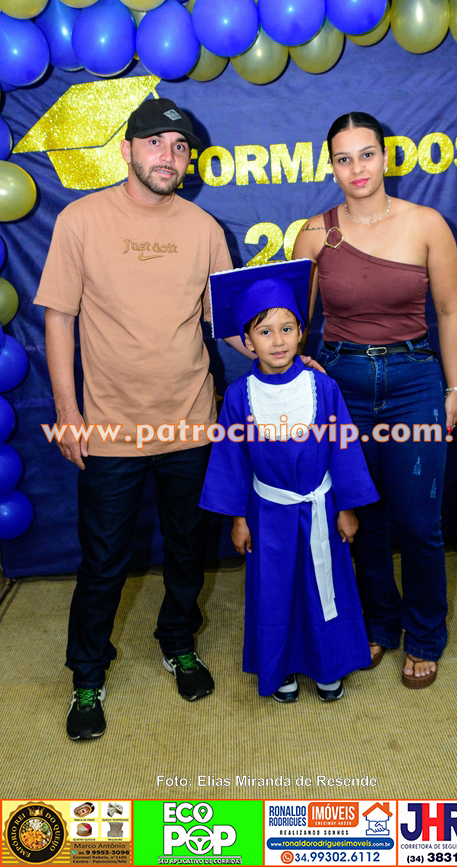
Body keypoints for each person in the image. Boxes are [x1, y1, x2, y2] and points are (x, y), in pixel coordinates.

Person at [34, 98, 234, 739]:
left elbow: (225, 324)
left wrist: (282, 349)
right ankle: (87, 675)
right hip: (111, 426)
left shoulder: (204, 228)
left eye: (180, 147)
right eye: (155, 143)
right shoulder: (80, 220)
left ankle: (178, 642)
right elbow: (59, 318)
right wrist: (68, 412)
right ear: (126, 149)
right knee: (103, 562)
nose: (168, 157)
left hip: (191, 421)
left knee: (187, 550)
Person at [292, 111, 457, 688]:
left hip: (415, 381)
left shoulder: (427, 224)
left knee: (418, 523)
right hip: (343, 384)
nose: (357, 168)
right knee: (362, 518)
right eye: (344, 159)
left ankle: (425, 634)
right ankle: (379, 623)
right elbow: (292, 322)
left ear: (385, 157)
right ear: (332, 167)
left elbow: (450, 314)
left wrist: (453, 391)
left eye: (366, 154)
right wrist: (298, 365)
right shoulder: (314, 233)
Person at [199, 262, 379, 702]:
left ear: (301, 333)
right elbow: (231, 461)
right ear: (247, 341)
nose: (277, 341)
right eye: (264, 332)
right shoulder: (239, 396)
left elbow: (343, 449)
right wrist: (238, 519)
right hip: (268, 512)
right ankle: (278, 667)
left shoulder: (323, 388)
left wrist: (347, 508)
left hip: (321, 507)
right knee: (275, 592)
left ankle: (329, 664)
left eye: (286, 329)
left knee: (324, 587)